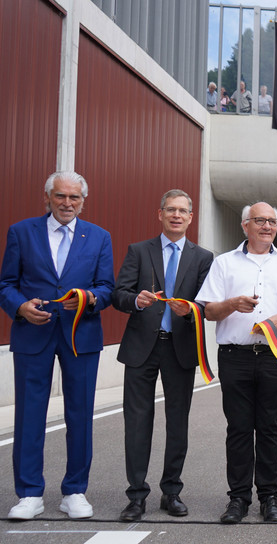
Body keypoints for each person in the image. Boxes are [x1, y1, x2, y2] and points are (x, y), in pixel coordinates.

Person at [1, 171, 114, 520]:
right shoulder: (22, 232)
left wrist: (89, 298)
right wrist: (19, 306)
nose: (68, 203)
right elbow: (6, 283)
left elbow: (106, 287)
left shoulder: (98, 237)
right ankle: (29, 493)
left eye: (74, 198)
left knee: (80, 415)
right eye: (61, 196)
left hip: (81, 336)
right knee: (29, 415)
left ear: (83, 201)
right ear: (47, 197)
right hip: (32, 334)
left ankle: (75, 491)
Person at [196, 202, 277, 524]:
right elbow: (208, 311)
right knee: (239, 429)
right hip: (235, 356)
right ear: (246, 225)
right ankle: (238, 499)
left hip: (274, 354)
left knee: (270, 428)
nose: (267, 226)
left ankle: (270, 497)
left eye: (272, 221)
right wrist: (231, 303)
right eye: (260, 220)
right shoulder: (223, 264)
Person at [112, 189, 214, 522]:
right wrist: (135, 301)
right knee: (137, 423)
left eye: (182, 211)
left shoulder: (203, 258)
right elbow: (119, 294)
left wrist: (190, 310)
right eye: (170, 210)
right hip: (142, 346)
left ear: (190, 217)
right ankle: (137, 495)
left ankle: (171, 492)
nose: (176, 215)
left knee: (177, 424)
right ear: (160, 214)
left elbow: (206, 303)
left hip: (180, 347)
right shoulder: (139, 251)